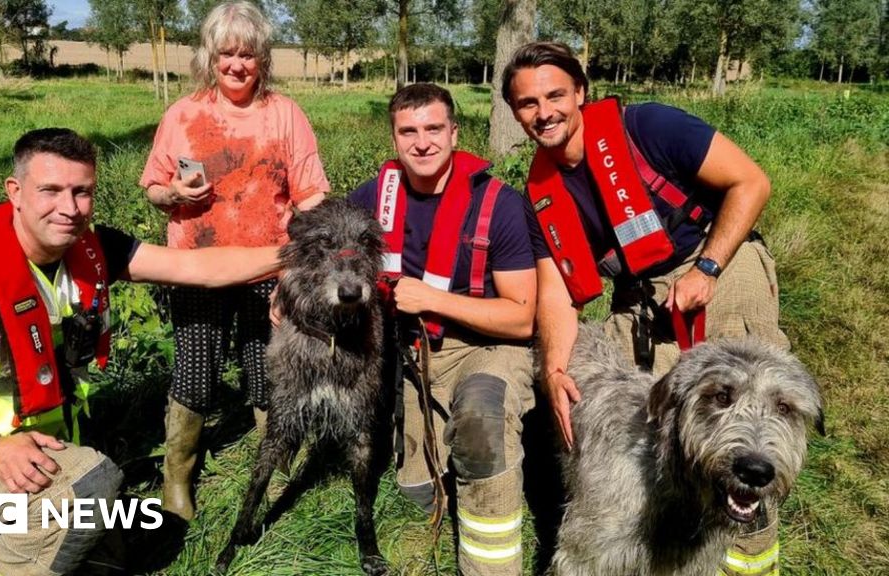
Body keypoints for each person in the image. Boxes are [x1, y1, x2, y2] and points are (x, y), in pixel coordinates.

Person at [0, 128, 282, 576]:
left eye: (82, 192)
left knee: (125, 545)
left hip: (27, 447)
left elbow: (195, 267)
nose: (69, 208)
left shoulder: (88, 248)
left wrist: (294, 254)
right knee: (90, 485)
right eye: (51, 190)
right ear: (15, 192)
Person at [502, 41, 789, 576]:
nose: (544, 113)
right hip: (641, 292)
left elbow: (751, 182)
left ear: (580, 93)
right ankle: (664, 547)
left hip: (716, 260)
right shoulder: (540, 190)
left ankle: (752, 557)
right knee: (662, 426)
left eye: (556, 95)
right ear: (515, 112)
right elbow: (557, 291)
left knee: (750, 409)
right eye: (527, 103)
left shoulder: (648, 127)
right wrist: (555, 370)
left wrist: (707, 269)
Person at [139, 0, 329, 522]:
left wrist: (297, 269)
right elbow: (153, 187)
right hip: (196, 268)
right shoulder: (184, 114)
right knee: (195, 374)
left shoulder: (284, 114)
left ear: (262, 58)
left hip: (267, 269)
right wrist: (173, 190)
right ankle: (177, 479)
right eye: (227, 53)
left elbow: (311, 196)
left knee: (264, 374)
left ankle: (271, 472)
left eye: (248, 54)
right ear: (210, 56)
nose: (237, 65)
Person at [348, 83, 539, 576]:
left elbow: (521, 316)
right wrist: (286, 285)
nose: (422, 142)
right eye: (408, 131)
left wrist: (431, 299)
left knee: (481, 421)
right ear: (393, 138)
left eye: (434, 129)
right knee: (417, 491)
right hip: (416, 354)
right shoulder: (374, 197)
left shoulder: (500, 204)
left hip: (489, 346)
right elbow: (324, 244)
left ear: (455, 133)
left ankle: (490, 565)